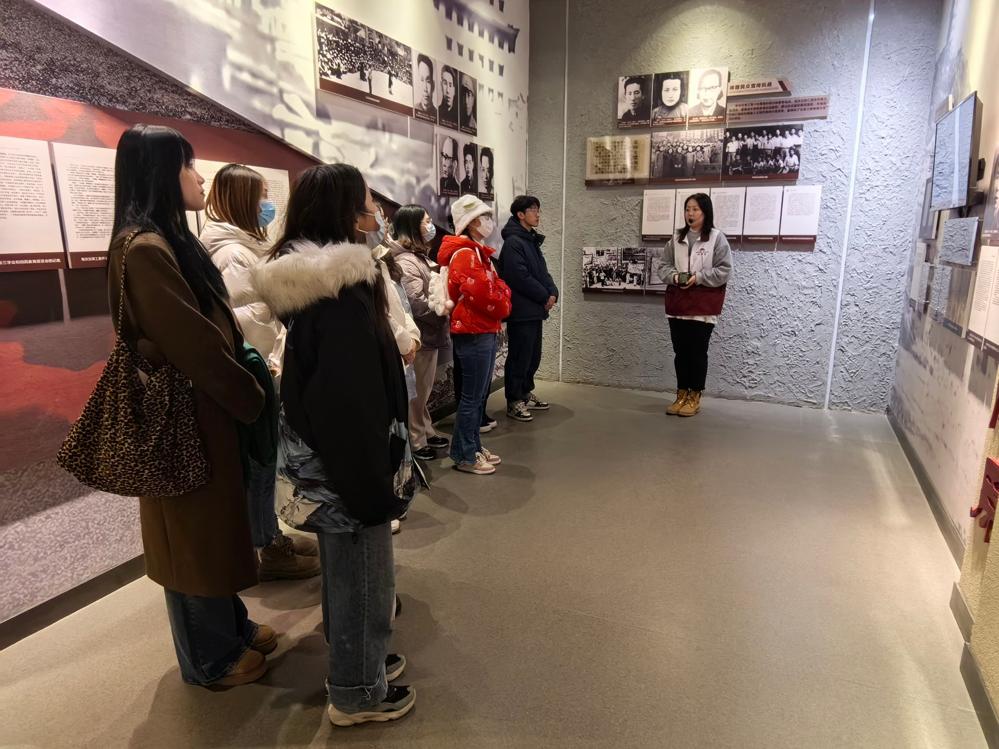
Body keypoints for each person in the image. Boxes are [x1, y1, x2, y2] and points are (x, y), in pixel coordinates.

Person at [107, 124, 272, 687]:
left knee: (212, 528)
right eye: (188, 166)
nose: (200, 178)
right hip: (183, 415)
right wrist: (250, 394)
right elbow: (194, 344)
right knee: (192, 537)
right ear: (160, 174)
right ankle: (209, 656)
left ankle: (231, 627)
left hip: (202, 410)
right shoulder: (144, 249)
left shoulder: (165, 240)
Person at [251, 163, 416, 727]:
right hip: (349, 463)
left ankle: (358, 663)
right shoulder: (341, 293)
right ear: (346, 213)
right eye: (367, 202)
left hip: (333, 457)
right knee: (364, 576)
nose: (376, 213)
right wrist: (370, 485)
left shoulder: (319, 287)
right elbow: (349, 402)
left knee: (348, 573)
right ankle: (356, 691)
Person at [200, 164, 320, 581]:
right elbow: (241, 318)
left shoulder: (243, 246)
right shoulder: (233, 254)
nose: (268, 204)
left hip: (261, 364)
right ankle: (266, 546)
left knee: (264, 459)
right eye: (261, 195)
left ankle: (268, 535)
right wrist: (277, 308)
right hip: (255, 368)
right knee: (260, 462)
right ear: (243, 201)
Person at [438, 194, 511, 474]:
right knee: (472, 397)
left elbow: (496, 287)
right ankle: (466, 455)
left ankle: (472, 447)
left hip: (481, 329)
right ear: (470, 222)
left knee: (477, 396)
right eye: (484, 217)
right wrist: (503, 297)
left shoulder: (476, 252)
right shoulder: (466, 255)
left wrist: (500, 292)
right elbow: (488, 294)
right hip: (474, 331)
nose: (489, 221)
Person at [381, 205, 451, 460]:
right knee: (417, 392)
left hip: (430, 334)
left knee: (424, 389)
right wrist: (442, 309)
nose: (431, 226)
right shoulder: (406, 261)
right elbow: (416, 303)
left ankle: (426, 429)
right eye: (426, 221)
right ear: (412, 226)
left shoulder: (417, 256)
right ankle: (417, 439)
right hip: (421, 336)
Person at [657, 193, 732, 417]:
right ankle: (681, 393)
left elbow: (724, 270)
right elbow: (663, 267)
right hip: (678, 306)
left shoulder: (717, 238)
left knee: (697, 352)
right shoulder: (676, 238)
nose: (690, 213)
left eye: (695, 209)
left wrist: (698, 277)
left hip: (702, 308)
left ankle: (695, 396)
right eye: (687, 209)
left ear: (705, 212)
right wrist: (675, 276)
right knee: (680, 352)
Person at [496, 195, 558, 422]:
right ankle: (514, 400)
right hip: (521, 311)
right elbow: (519, 276)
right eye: (533, 210)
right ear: (520, 214)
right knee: (519, 357)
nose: (537, 214)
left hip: (534, 309)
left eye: (538, 209)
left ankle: (524, 392)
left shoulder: (530, 240)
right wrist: (544, 295)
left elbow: (542, 272)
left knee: (532, 356)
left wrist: (553, 292)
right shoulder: (514, 242)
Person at [414, 54, 435, 118]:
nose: (425, 88)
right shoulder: (414, 108)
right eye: (422, 80)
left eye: (428, 81)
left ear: (433, 85)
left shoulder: (437, 114)